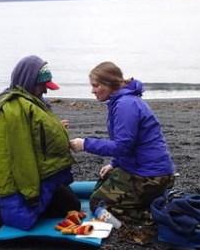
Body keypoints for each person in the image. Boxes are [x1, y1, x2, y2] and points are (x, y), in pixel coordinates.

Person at [0, 55, 81, 230]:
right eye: (42, 86)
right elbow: (21, 157)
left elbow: (33, 138)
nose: (45, 92)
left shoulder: (25, 102)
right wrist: (31, 197)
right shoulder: (15, 110)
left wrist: (57, 128)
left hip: (32, 175)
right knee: (71, 204)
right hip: (18, 184)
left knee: (69, 200)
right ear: (28, 81)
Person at [70, 61, 176, 223]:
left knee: (98, 202)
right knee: (100, 187)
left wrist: (85, 144)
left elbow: (122, 145)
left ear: (109, 83)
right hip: (145, 170)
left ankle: (152, 217)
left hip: (150, 176)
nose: (92, 90)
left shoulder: (125, 105)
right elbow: (129, 144)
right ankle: (150, 202)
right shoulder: (123, 101)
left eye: (96, 85)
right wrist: (114, 164)